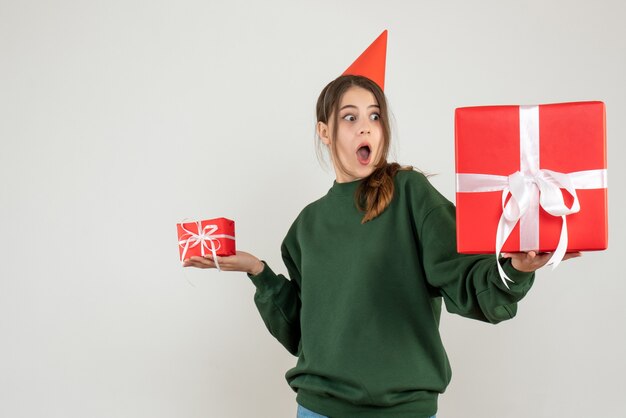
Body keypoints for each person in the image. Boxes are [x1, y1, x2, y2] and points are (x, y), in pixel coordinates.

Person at [183, 33, 580, 418]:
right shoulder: (306, 226)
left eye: (374, 115)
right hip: (319, 409)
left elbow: (466, 279)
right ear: (324, 131)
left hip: (404, 410)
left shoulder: (411, 194)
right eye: (350, 117)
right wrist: (258, 272)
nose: (366, 126)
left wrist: (517, 269)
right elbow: (305, 335)